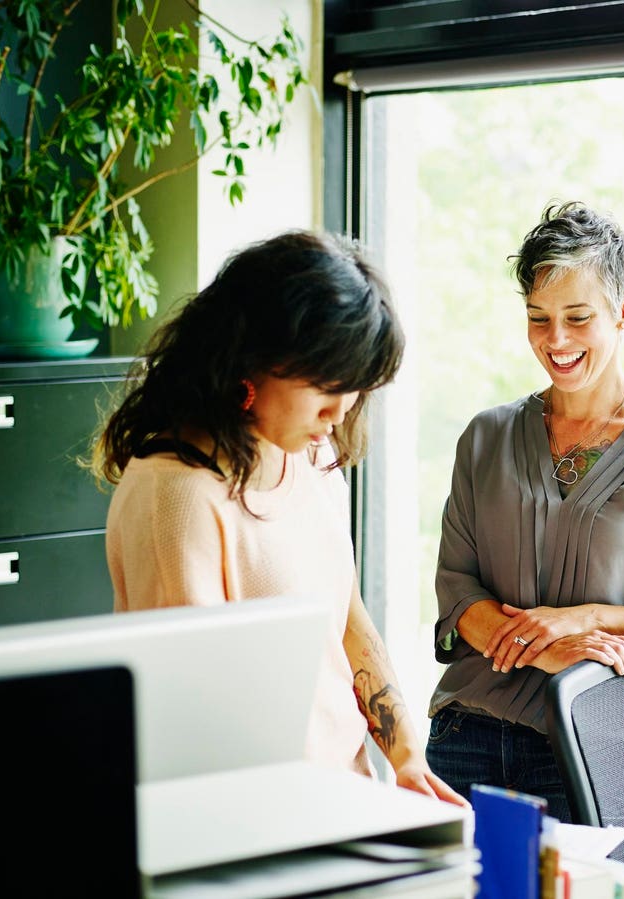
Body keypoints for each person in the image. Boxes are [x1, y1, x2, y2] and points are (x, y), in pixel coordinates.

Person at [96, 230, 465, 806]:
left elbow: (346, 620)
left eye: (355, 388)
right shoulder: (178, 495)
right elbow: (197, 720)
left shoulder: (312, 455)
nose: (339, 411)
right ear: (255, 359)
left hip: (344, 794)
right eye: (327, 385)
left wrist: (406, 757)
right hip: (259, 813)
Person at [427, 202, 624, 820]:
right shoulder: (486, 438)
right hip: (466, 732)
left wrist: (590, 619)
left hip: (592, 740)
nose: (556, 341)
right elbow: (457, 589)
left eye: (578, 318)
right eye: (538, 318)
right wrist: (543, 650)